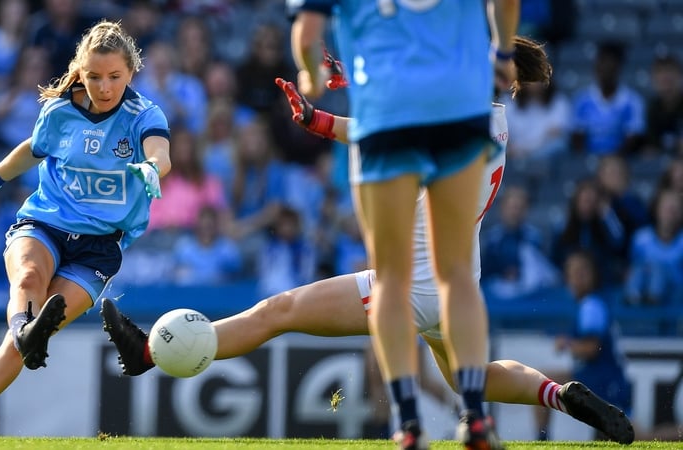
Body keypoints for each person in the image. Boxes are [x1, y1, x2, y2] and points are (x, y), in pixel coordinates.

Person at [101, 39, 634, 447]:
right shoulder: (491, 124)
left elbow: (383, 126)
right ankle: (560, 395)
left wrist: (327, 108)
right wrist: (326, 113)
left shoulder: (454, 122)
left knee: (277, 311)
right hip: (456, 287)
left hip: (409, 288)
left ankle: (147, 354)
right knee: (470, 378)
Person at [287, 2, 518, 449]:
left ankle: (409, 425)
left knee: (391, 278)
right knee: (456, 275)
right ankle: (474, 417)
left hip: (387, 116)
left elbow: (307, 32)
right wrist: (504, 54)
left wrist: (312, 74)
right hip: (458, 112)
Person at [0, 20, 171, 438]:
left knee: (21, 342)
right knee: (28, 281)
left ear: (131, 72)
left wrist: (152, 169)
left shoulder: (143, 115)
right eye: (94, 76)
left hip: (99, 247)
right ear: (80, 72)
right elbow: (33, 150)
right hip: (45, 223)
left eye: (114, 76)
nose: (105, 86)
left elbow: (160, 151)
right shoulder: (59, 111)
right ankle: (26, 328)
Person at [536, 250, 633, 441]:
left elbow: (591, 349)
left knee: (542, 382)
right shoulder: (591, 304)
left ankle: (541, 439)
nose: (576, 278)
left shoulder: (592, 305)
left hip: (603, 384)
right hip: (599, 381)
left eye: (582, 272)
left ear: (593, 275)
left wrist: (566, 343)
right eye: (572, 272)